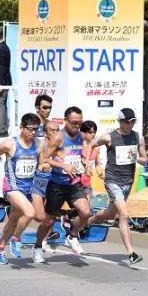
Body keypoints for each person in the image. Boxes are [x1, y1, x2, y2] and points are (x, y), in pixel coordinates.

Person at [85, 108, 147, 264]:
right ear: (120, 122)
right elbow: (92, 144)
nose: (130, 125)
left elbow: (144, 159)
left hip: (128, 181)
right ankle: (131, 252)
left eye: (132, 122)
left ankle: (90, 220)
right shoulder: (109, 137)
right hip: (112, 181)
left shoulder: (137, 138)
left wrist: (136, 158)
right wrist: (87, 162)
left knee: (110, 214)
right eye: (127, 122)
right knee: (124, 214)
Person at [36, 106, 91, 258]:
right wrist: (63, 166)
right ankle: (38, 246)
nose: (77, 125)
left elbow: (75, 154)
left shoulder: (81, 136)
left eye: (80, 122)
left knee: (86, 212)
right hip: (57, 184)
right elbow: (44, 159)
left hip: (74, 183)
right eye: (74, 122)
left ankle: (72, 236)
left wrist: (83, 161)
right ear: (66, 120)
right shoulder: (58, 137)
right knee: (49, 221)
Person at [0, 113, 44, 262]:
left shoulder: (38, 144)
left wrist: (43, 167)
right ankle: (16, 238)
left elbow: (39, 163)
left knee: (13, 220)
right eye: (30, 129)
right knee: (30, 212)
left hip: (27, 188)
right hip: (12, 187)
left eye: (36, 130)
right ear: (21, 127)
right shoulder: (10, 144)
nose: (33, 133)